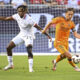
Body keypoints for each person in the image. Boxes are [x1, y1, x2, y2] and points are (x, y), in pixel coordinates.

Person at [0, 5, 51, 72]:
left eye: (21, 11)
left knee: (29, 51)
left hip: (29, 36)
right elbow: (6, 18)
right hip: (21, 35)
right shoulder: (16, 16)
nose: (19, 13)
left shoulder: (29, 19)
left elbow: (39, 28)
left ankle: (30, 69)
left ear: (25, 11)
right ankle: (10, 64)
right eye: (18, 11)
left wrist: (47, 35)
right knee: (8, 47)